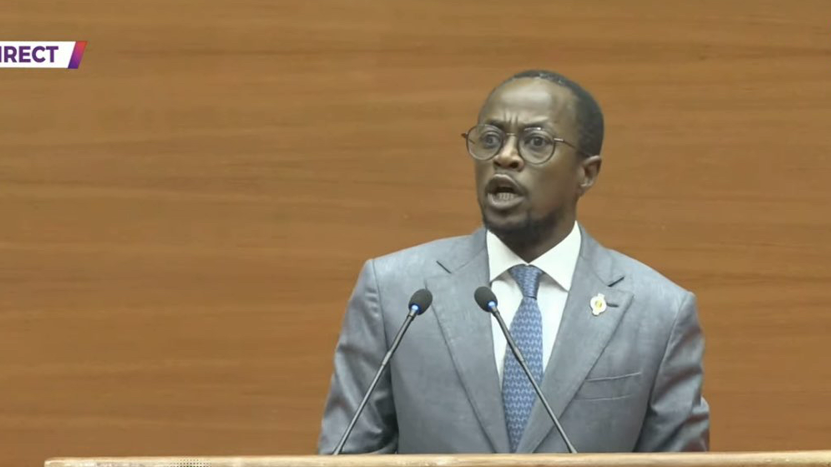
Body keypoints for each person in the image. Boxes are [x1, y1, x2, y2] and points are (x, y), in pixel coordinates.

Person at [317, 70, 709, 454]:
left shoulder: (658, 313)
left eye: (536, 142)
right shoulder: (397, 292)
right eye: (490, 139)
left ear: (586, 173)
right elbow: (350, 457)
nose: (504, 156)